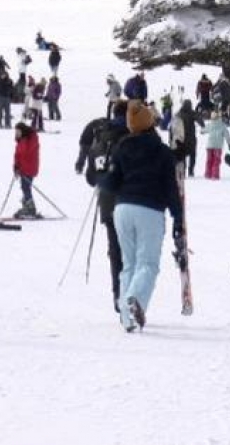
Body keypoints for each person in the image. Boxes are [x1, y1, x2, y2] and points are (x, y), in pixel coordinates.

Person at [99, 100, 183, 332]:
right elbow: (170, 188)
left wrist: (102, 177)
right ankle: (135, 298)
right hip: (150, 210)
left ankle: (127, 318)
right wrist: (178, 217)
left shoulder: (121, 148)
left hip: (122, 209)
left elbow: (111, 182)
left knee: (129, 264)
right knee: (147, 263)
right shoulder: (162, 152)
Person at [75, 101, 129, 311]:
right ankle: (130, 294)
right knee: (132, 252)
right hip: (130, 200)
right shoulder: (131, 138)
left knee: (115, 251)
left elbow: (91, 178)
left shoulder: (100, 140)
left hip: (107, 203)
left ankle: (118, 292)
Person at [13, 122, 40, 218]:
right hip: (23, 168)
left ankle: (30, 207)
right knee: (24, 187)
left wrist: (21, 140)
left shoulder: (31, 139)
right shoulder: (21, 141)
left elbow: (26, 152)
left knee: (26, 187)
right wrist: (16, 166)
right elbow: (17, 155)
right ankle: (27, 205)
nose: (16, 133)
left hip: (29, 168)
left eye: (18, 131)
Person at [172, 99, 204, 177]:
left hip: (181, 138)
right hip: (191, 138)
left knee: (183, 156)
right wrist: (201, 121)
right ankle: (191, 171)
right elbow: (201, 122)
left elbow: (173, 125)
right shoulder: (192, 113)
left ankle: (183, 171)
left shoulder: (178, 114)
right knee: (193, 155)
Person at [202, 110, 230, 180]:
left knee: (209, 160)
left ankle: (208, 173)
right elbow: (227, 135)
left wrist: (202, 131)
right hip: (218, 147)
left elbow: (203, 130)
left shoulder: (210, 124)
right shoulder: (222, 125)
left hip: (209, 146)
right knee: (216, 160)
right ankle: (215, 175)